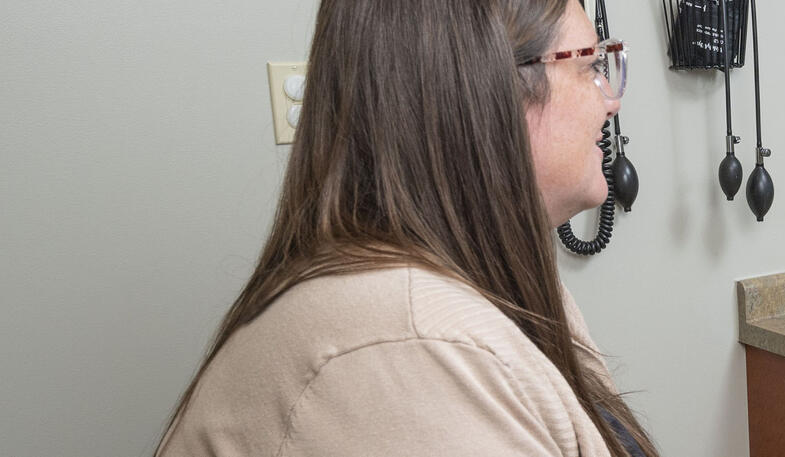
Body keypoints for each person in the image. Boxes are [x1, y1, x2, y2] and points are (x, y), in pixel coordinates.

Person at [154, 0, 654, 455]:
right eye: (590, 65)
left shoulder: (481, 283)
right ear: (483, 94)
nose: (611, 101)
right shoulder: (413, 353)